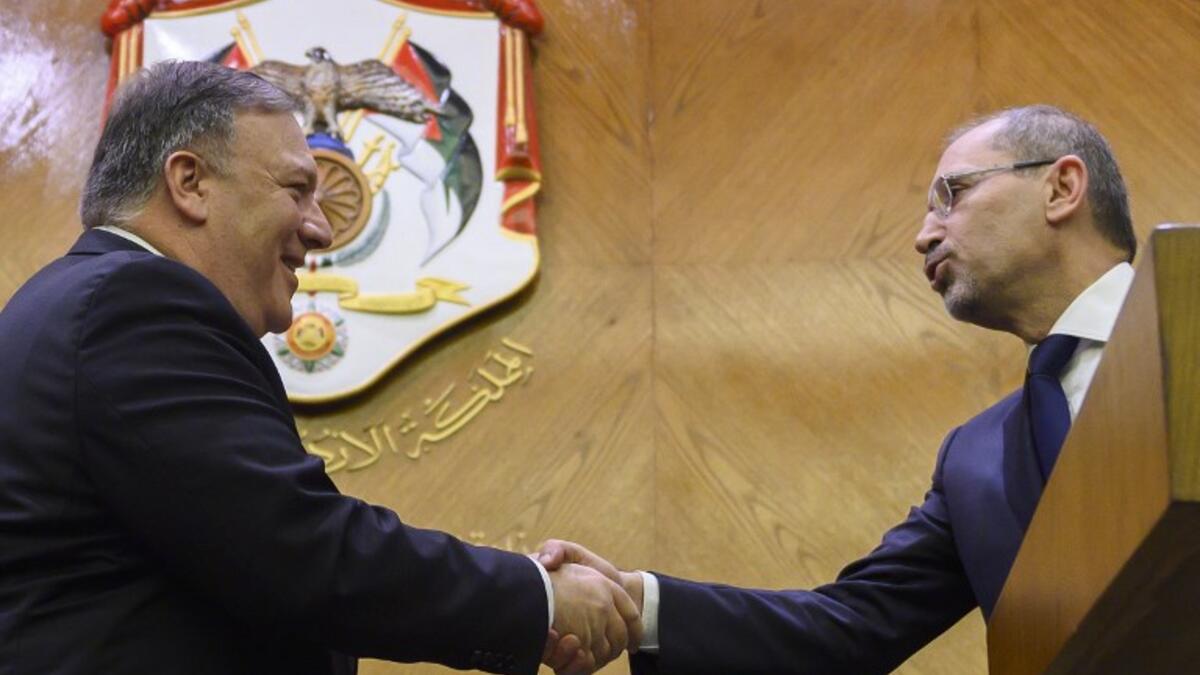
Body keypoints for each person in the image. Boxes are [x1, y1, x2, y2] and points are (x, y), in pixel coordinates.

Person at [0, 60, 640, 675]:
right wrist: (539, 599)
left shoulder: (71, 302)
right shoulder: (133, 306)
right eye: (296, 190)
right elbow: (296, 549)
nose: (321, 229)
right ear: (189, 182)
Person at [538, 105, 1138, 674]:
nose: (923, 237)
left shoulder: (1183, 323)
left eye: (952, 195)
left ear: (1061, 188)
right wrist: (636, 603)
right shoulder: (974, 459)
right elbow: (850, 627)